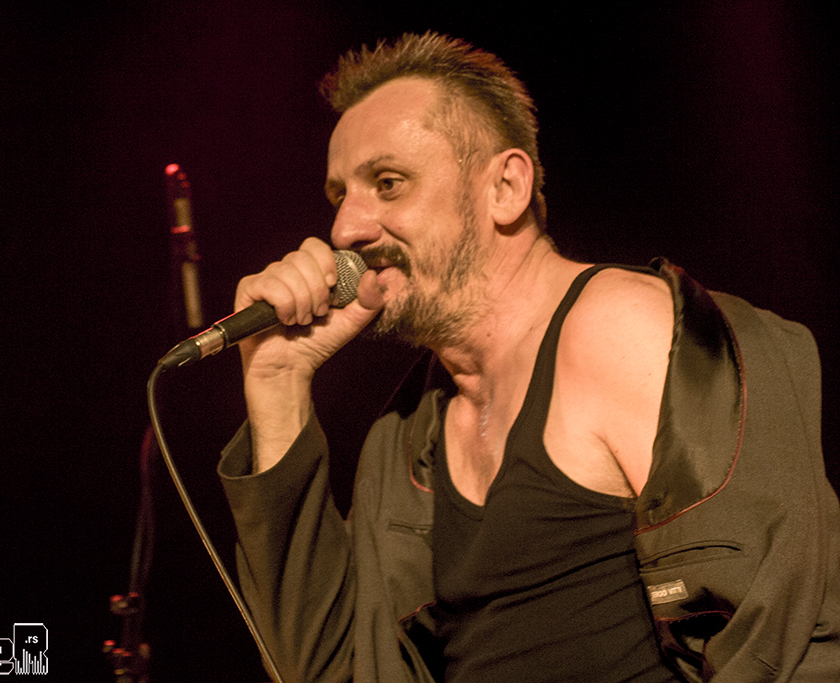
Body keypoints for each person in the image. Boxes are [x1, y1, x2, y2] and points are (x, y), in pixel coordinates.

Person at [215, 32, 840, 682]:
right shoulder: (406, 441)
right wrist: (277, 380)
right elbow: (324, 669)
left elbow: (790, 641)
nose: (345, 229)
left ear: (506, 187)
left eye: (388, 183)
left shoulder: (618, 330)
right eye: (340, 195)